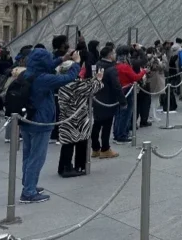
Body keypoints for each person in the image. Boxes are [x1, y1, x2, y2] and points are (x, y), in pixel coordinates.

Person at [18, 48, 81, 203]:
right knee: (37, 158)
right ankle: (29, 192)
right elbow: (68, 78)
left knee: (28, 155)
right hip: (41, 121)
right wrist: (76, 63)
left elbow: (46, 65)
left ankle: (28, 184)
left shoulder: (27, 73)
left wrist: (62, 58)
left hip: (27, 120)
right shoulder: (43, 79)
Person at [56, 63, 103, 177]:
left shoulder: (62, 81)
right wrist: (98, 79)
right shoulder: (73, 84)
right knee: (79, 141)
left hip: (66, 116)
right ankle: (77, 166)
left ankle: (63, 167)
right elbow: (93, 88)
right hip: (78, 118)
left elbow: (84, 85)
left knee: (68, 142)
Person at [92, 46, 124, 159]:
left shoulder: (97, 64)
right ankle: (105, 148)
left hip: (96, 98)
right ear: (110, 55)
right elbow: (116, 86)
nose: (115, 55)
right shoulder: (111, 68)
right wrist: (122, 101)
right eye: (114, 53)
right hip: (108, 100)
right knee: (106, 125)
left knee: (96, 123)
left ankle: (95, 148)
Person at [113, 45, 146, 144]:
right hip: (127, 90)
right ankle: (122, 135)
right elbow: (135, 77)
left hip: (119, 90)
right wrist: (144, 71)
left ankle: (117, 134)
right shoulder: (125, 67)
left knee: (118, 114)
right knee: (126, 114)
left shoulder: (115, 65)